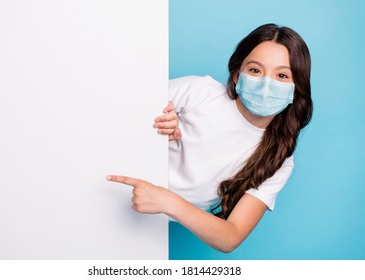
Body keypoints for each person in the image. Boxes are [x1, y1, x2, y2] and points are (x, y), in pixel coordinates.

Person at [106, 23, 313, 253]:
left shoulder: (279, 158)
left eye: (282, 75)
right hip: (103, 184)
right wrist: (156, 124)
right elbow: (115, 111)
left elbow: (230, 237)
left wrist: (168, 201)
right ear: (237, 75)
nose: (266, 83)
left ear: (295, 90)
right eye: (255, 70)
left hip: (144, 238)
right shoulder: (199, 91)